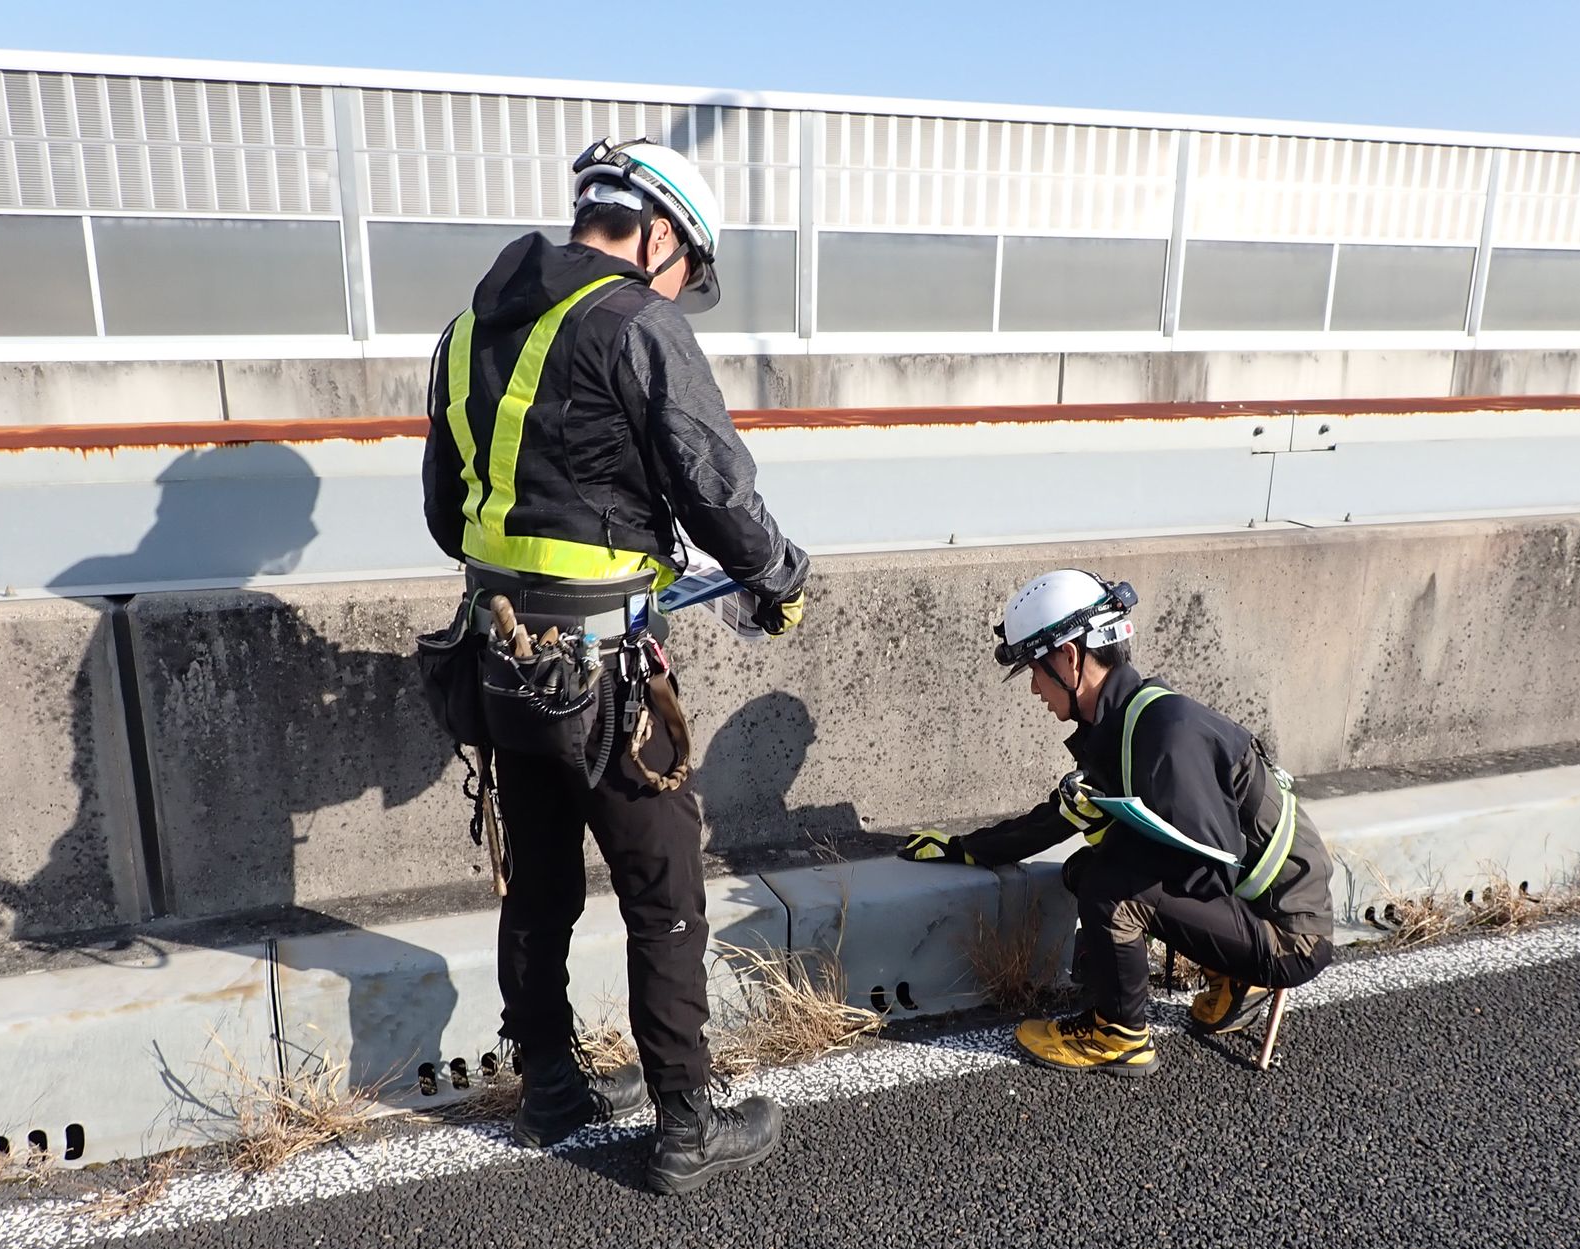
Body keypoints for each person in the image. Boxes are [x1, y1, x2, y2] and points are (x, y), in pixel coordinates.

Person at [420, 137, 809, 1193]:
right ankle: (686, 1125)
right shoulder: (639, 323)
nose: (684, 287)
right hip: (604, 675)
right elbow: (716, 488)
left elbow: (446, 514)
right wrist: (776, 576)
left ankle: (549, 1088)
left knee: (539, 886)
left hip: (499, 663)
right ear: (660, 233)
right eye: (689, 267)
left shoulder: (466, 333)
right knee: (663, 891)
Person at [898, 569, 1334, 1073]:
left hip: (1290, 937)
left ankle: (1119, 1034)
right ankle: (1232, 977)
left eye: (1034, 670)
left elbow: (1207, 878)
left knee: (1111, 885)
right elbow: (1057, 820)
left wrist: (1114, 835)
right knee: (1088, 869)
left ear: (1069, 656)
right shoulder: (1124, 721)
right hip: (1261, 912)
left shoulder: (1167, 735)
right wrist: (964, 849)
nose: (1035, 688)